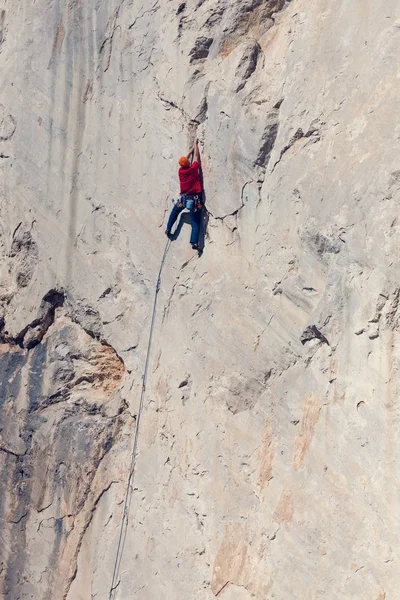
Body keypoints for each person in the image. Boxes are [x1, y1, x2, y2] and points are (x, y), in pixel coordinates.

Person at [165, 139, 204, 250]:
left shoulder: (180, 171)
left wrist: (190, 149)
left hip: (184, 199)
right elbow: (196, 156)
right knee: (195, 221)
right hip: (196, 199)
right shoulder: (193, 168)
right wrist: (196, 145)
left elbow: (185, 159)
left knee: (175, 211)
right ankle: (194, 242)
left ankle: (168, 228)